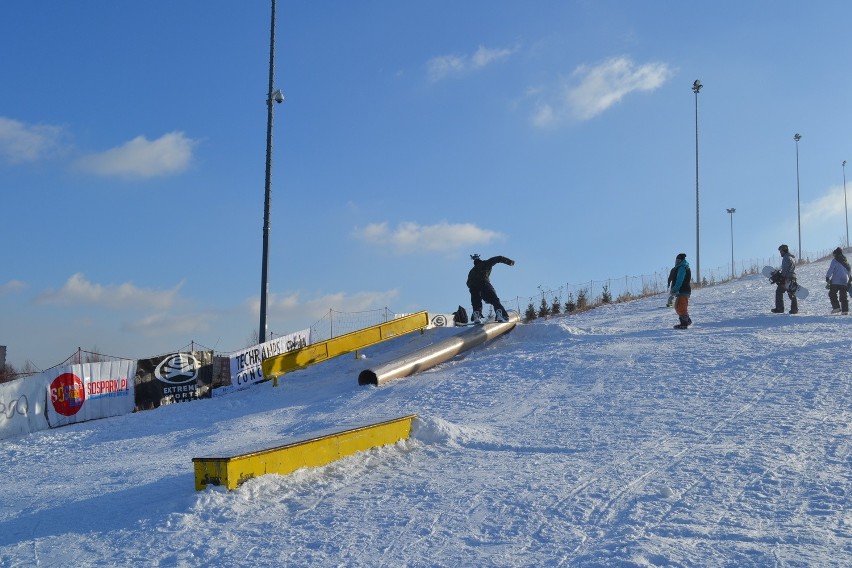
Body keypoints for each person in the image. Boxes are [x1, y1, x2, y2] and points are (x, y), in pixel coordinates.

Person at [467, 254, 514, 323]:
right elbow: (498, 258)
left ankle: (476, 315)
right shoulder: (486, 263)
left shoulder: (471, 271)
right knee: (494, 299)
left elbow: (468, 282)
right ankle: (499, 314)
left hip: (473, 287)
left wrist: (472, 287)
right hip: (484, 284)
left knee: (476, 302)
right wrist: (510, 262)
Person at [772, 244, 798, 314]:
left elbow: (786, 269)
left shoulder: (786, 258)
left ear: (784, 250)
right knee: (791, 292)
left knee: (780, 291)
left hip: (787, 278)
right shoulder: (791, 258)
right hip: (792, 277)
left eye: (781, 251)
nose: (780, 252)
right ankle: (794, 309)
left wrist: (781, 277)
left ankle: (780, 308)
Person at [825, 246, 851, 314]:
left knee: (832, 293)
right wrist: (849, 279)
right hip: (844, 281)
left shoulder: (835, 260)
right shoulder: (845, 261)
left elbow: (831, 269)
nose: (834, 256)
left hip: (836, 281)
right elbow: (849, 270)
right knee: (843, 295)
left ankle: (836, 307)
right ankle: (845, 310)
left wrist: (828, 277)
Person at [670, 253, 692, 329]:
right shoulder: (680, 267)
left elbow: (680, 280)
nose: (677, 261)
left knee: (681, 306)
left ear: (682, 260)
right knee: (677, 306)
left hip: (683, 290)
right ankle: (687, 320)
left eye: (678, 260)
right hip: (682, 290)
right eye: (676, 260)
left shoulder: (682, 268)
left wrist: (674, 289)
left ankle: (684, 323)